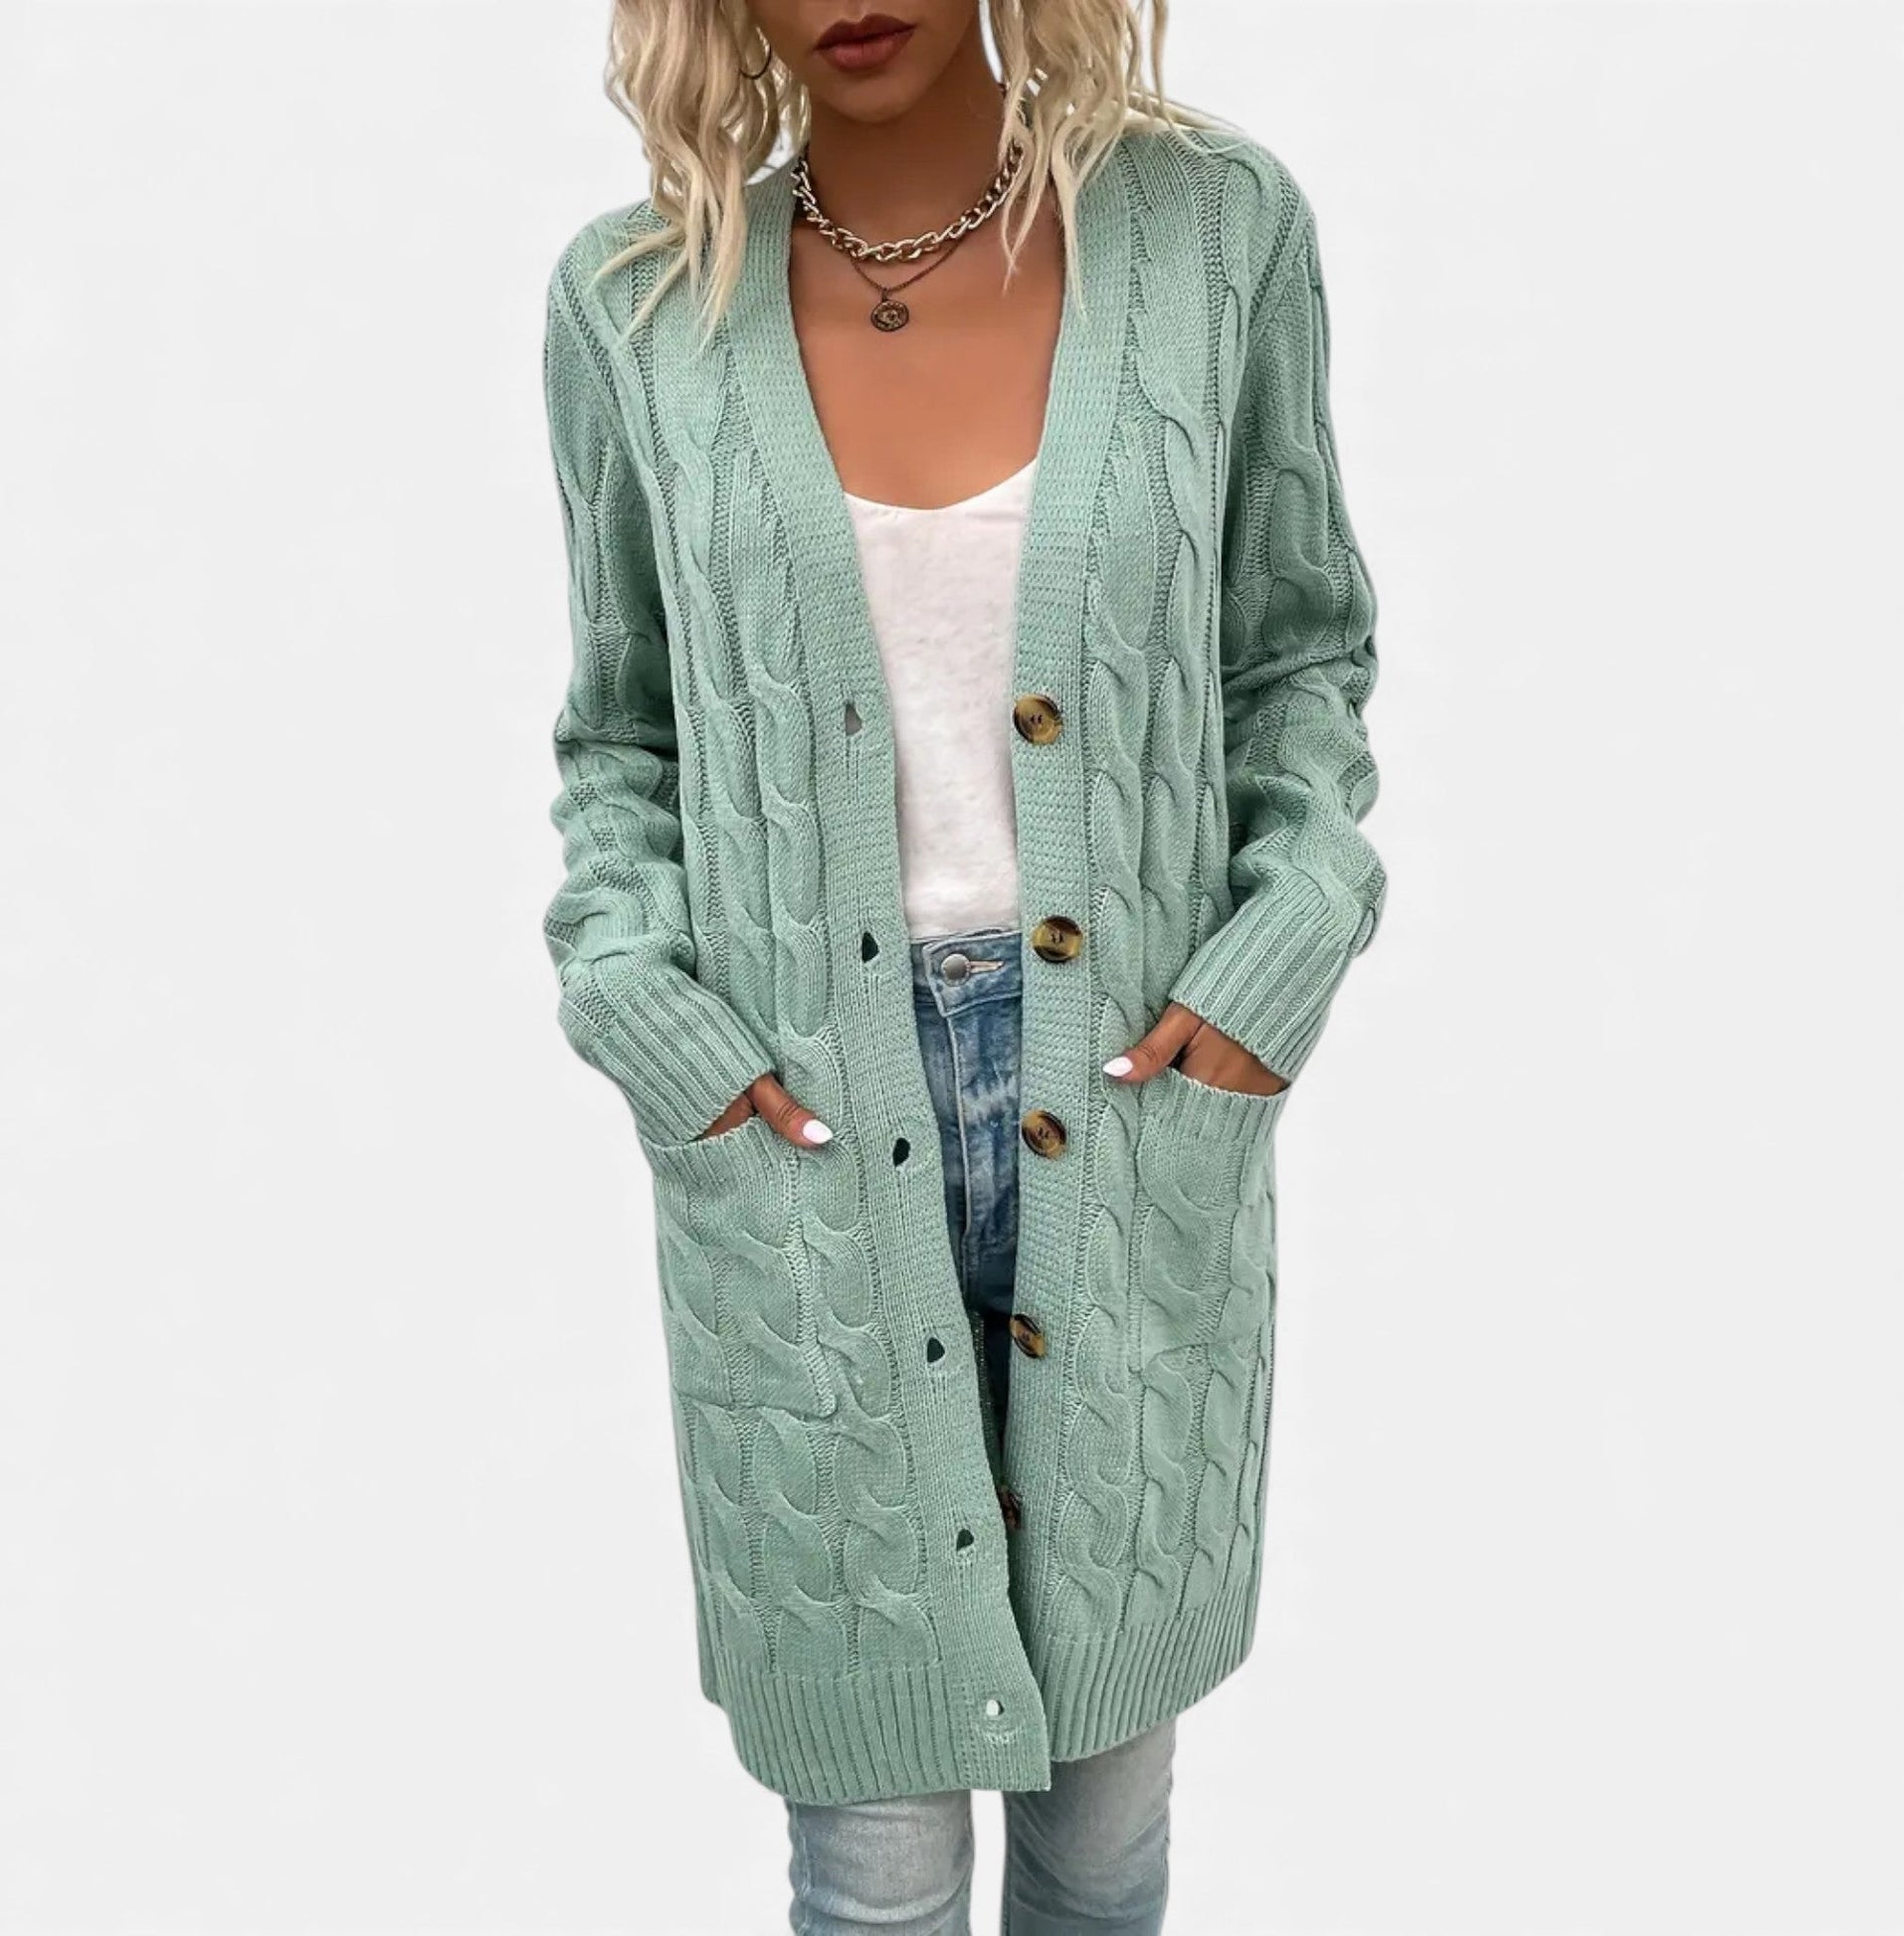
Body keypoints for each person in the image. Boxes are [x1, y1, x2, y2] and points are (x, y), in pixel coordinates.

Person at [538, 2, 1385, 1927]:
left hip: (1137, 1096)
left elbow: (1297, 654)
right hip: (800, 1137)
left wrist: (1285, 944)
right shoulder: (634, 301)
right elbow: (618, 732)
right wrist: (639, 1001)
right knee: (875, 1869)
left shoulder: (1215, 232)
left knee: (1102, 1843)